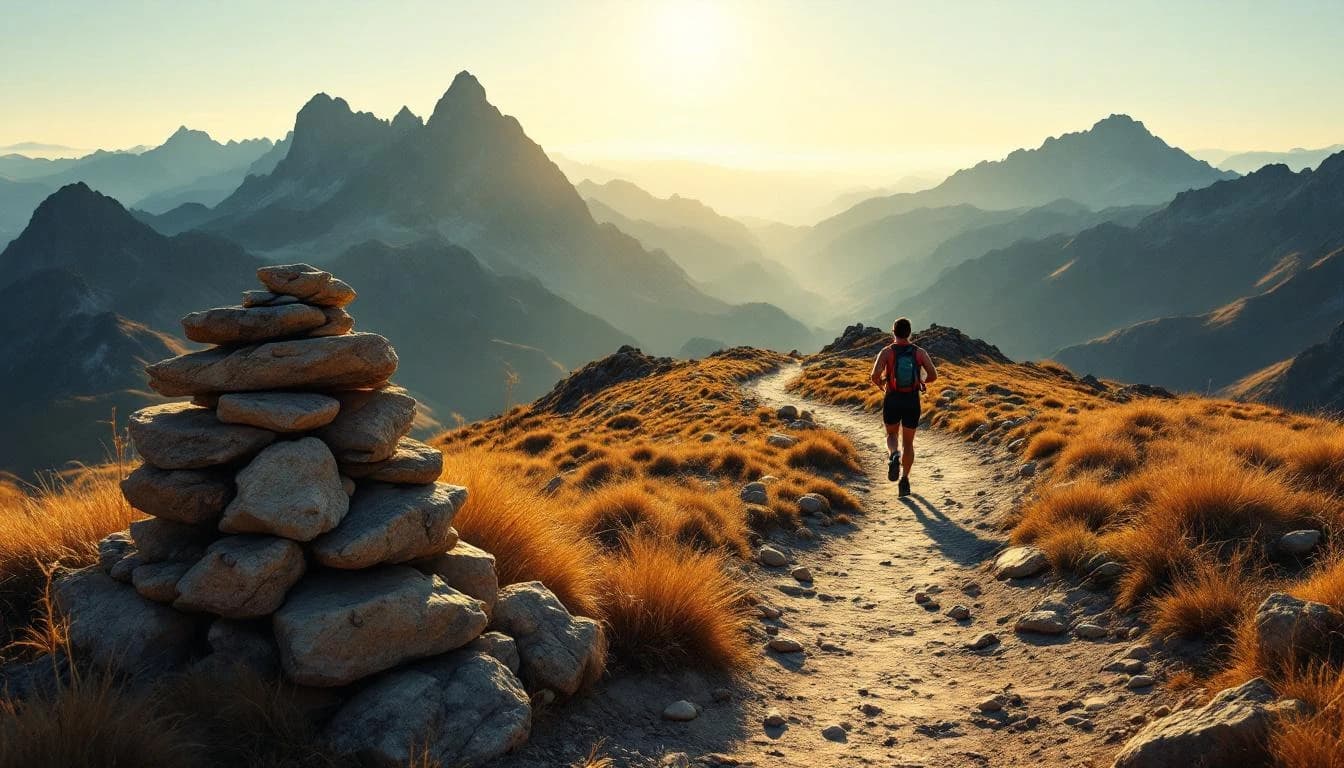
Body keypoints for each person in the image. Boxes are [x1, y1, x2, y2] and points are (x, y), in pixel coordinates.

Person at [869, 317, 937, 496]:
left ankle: (894, 454)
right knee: (908, 442)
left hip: (892, 398)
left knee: (892, 435)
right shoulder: (919, 352)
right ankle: (905, 479)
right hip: (911, 400)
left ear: (893, 332)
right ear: (909, 333)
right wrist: (920, 381)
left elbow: (874, 375)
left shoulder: (886, 352)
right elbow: (933, 375)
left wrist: (882, 385)